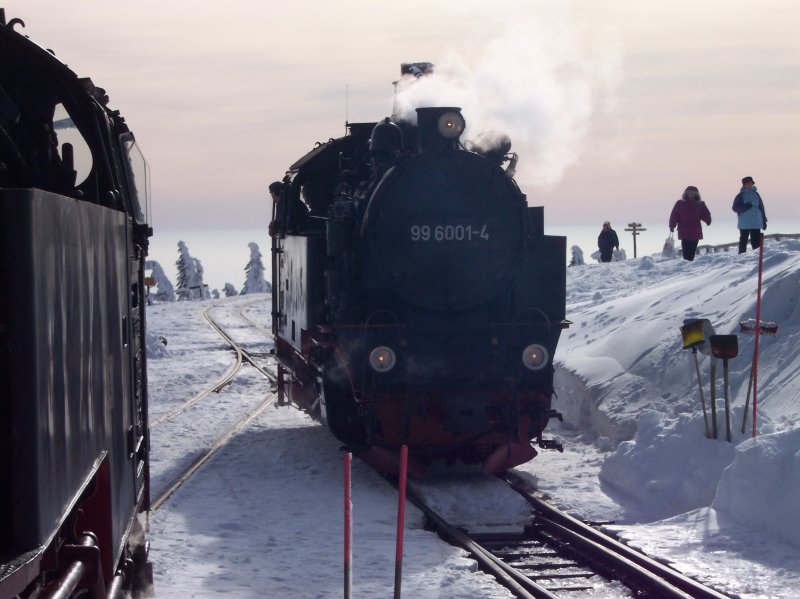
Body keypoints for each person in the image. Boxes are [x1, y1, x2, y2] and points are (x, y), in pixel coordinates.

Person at [668, 185, 712, 261]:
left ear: (696, 194)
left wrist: (708, 220)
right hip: (684, 231)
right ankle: (687, 265)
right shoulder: (680, 203)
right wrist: (672, 226)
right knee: (686, 251)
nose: (691, 194)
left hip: (695, 231)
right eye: (689, 193)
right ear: (686, 194)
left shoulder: (700, 204)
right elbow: (674, 215)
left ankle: (689, 265)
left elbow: (705, 214)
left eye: (693, 193)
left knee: (692, 251)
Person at [732, 176, 767, 253]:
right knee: (743, 241)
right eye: (748, 184)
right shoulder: (740, 195)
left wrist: (764, 220)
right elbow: (735, 208)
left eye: (751, 183)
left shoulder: (756, 194)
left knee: (756, 243)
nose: (750, 185)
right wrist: (745, 207)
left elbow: (761, 207)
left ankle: (756, 258)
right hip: (745, 223)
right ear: (744, 185)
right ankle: (741, 258)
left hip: (756, 223)